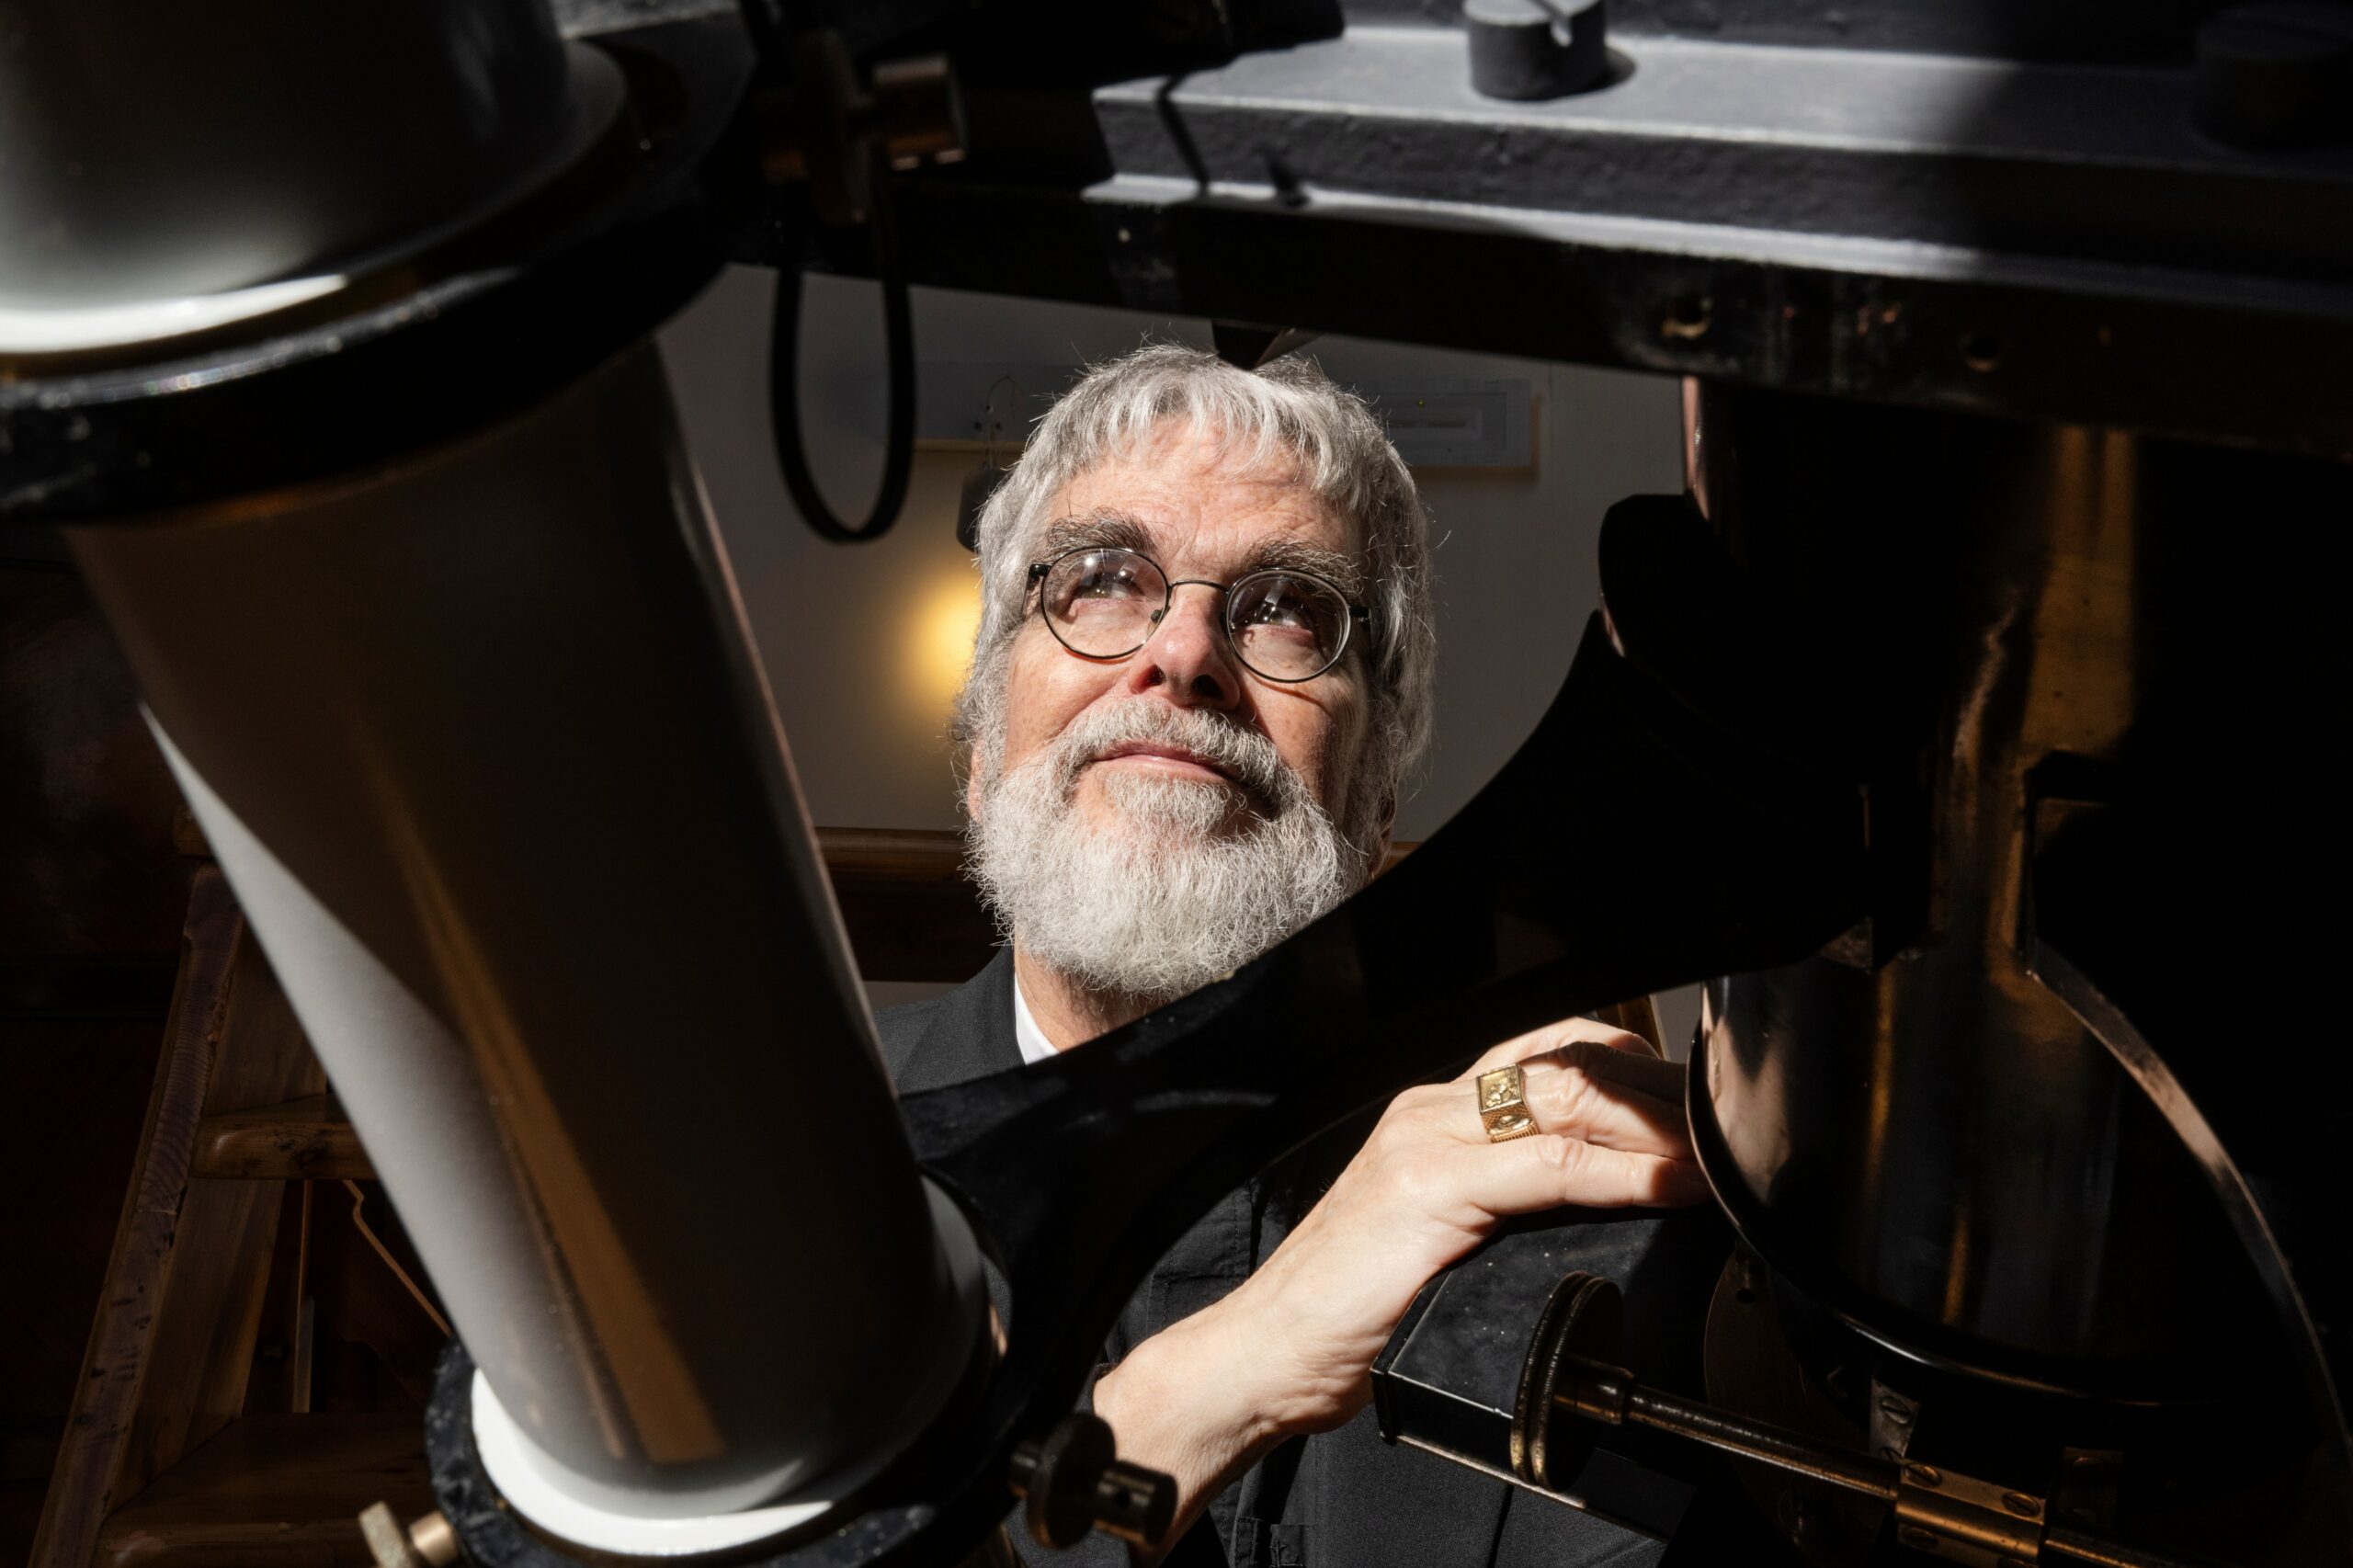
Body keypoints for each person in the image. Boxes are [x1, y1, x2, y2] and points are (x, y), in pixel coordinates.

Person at [881, 345, 1709, 1566]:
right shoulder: (767, 1161)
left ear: (1377, 803)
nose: (1185, 652)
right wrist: (1218, 1380)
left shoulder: (1563, 1236)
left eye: (1286, 607)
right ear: (981, 746)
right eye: (1104, 579)